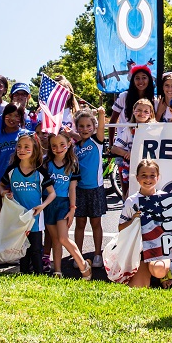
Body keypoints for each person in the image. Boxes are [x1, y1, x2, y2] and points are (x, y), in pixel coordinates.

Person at [0, 132, 54, 274]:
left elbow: (52, 193)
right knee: (22, 248)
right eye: (19, 147)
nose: (22, 150)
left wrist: (42, 206)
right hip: (18, 217)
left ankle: (39, 275)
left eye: (26, 147)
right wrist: (5, 193)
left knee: (35, 248)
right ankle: (24, 273)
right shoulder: (12, 170)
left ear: (35, 149)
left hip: (35, 217)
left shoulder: (40, 171)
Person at [117, 159, 172, 288]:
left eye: (152, 175)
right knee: (137, 288)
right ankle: (145, 269)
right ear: (137, 178)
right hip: (139, 251)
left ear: (158, 178)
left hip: (159, 249)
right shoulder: (131, 201)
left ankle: (163, 272)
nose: (148, 179)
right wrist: (134, 220)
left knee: (159, 270)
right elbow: (120, 228)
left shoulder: (166, 198)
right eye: (143, 175)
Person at [44, 129, 90, 279]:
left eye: (62, 144)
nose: (58, 149)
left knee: (63, 238)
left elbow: (72, 188)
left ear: (69, 144)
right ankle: (57, 270)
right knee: (55, 239)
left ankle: (83, 266)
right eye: (54, 146)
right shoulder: (46, 163)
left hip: (64, 204)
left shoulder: (72, 164)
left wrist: (72, 209)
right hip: (48, 204)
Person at [73, 108, 106, 268]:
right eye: (81, 126)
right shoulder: (75, 147)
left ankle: (97, 254)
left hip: (95, 189)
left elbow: (101, 128)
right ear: (77, 127)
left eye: (88, 126)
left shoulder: (97, 142)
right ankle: (77, 255)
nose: (85, 129)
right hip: (79, 190)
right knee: (79, 224)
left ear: (93, 127)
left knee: (95, 223)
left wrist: (100, 114)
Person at [111, 98, 155, 196]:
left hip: (149, 169)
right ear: (133, 111)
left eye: (146, 111)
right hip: (132, 168)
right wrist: (126, 154)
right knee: (129, 195)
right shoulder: (128, 129)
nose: (142, 113)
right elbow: (114, 148)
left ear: (151, 114)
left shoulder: (155, 129)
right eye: (138, 110)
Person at [109, 65, 155, 145]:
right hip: (123, 146)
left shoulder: (154, 100)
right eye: (137, 78)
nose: (140, 81)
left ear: (149, 80)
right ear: (132, 80)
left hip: (145, 146)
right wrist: (111, 144)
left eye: (144, 77)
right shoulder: (124, 96)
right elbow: (113, 121)